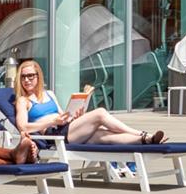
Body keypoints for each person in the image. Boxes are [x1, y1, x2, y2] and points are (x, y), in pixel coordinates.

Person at [12, 59, 167, 146]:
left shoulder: (49, 94)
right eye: (23, 77)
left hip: (66, 128)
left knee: (105, 136)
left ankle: (147, 140)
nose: (27, 80)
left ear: (38, 76)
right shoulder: (22, 101)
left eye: (31, 76)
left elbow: (62, 115)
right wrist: (51, 122)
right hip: (54, 136)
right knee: (100, 113)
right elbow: (23, 127)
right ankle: (142, 133)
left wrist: (75, 116)